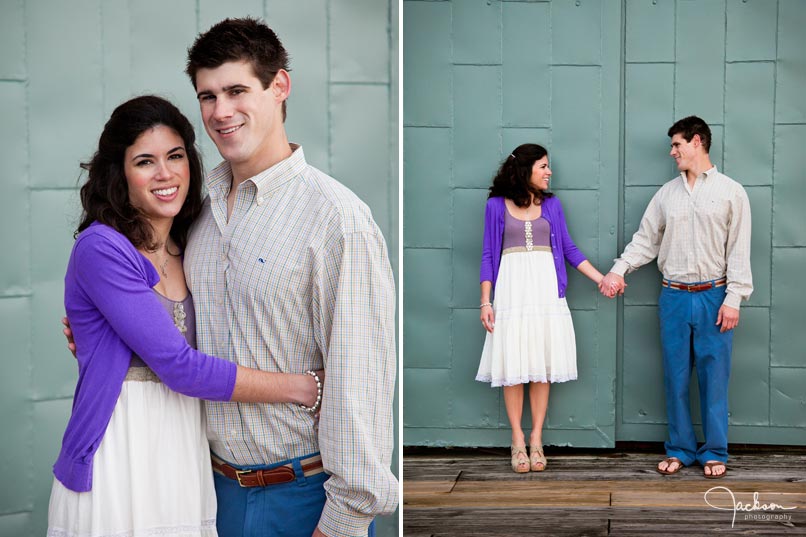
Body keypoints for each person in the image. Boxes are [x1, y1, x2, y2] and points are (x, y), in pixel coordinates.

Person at [48, 95, 324, 537]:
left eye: (175, 156)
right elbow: (179, 366)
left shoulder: (194, 238)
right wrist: (302, 386)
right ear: (119, 173)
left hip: (185, 445)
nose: (165, 174)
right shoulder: (103, 248)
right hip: (121, 448)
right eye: (144, 161)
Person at [182, 18, 397, 537]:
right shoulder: (198, 215)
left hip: (304, 499)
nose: (220, 112)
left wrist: (342, 522)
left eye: (237, 90)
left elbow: (360, 379)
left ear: (279, 86)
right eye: (207, 96)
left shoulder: (335, 217)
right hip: (210, 494)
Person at [599, 116, 752, 479]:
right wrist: (618, 270)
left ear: (697, 142)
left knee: (715, 378)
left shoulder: (732, 192)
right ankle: (680, 449)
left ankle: (715, 451)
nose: (672, 152)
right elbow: (645, 240)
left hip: (715, 296)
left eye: (677, 145)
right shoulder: (666, 194)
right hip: (674, 297)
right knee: (675, 376)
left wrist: (734, 299)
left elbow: (739, 250)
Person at [476, 143, 607, 473]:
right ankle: (517, 440)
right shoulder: (495, 206)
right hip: (511, 293)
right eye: (544, 166)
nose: (550, 172)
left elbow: (569, 249)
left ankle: (536, 439)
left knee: (542, 366)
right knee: (513, 368)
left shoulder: (552, 204)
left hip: (546, 292)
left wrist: (601, 279)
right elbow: (489, 256)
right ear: (525, 170)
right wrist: (485, 302)